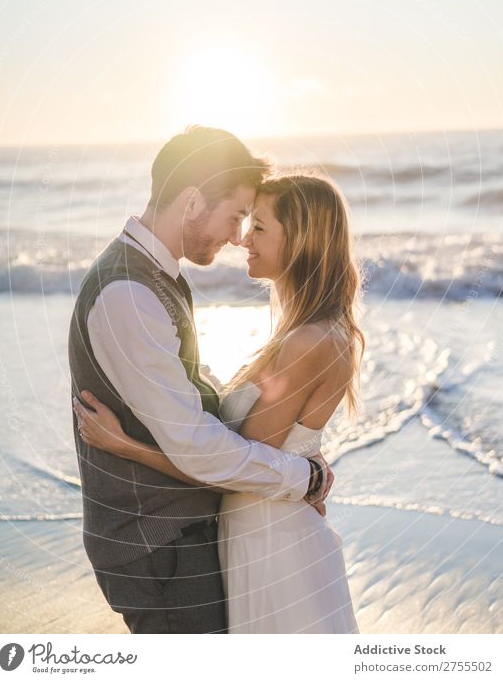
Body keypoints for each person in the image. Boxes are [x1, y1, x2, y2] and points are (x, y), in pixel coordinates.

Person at [69, 126, 332, 635]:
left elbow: (195, 392)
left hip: (174, 540)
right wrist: (304, 478)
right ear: (191, 203)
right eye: (235, 215)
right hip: (159, 549)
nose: (238, 236)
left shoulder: (153, 276)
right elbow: (197, 446)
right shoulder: (128, 293)